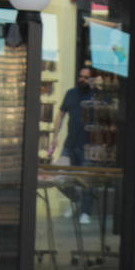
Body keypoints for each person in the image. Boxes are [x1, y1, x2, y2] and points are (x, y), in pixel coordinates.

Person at [48, 66, 95, 224]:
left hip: (89, 144)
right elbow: (60, 115)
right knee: (59, 177)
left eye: (86, 77)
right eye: (81, 76)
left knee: (85, 179)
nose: (82, 79)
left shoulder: (96, 95)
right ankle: (76, 200)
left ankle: (86, 212)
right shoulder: (71, 93)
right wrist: (55, 137)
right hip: (70, 143)